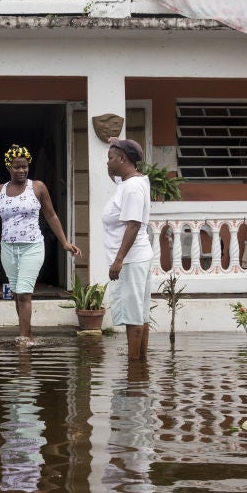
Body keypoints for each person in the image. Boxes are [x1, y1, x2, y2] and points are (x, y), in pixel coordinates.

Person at [0, 144, 81, 342]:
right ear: (8, 167)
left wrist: (64, 242)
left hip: (33, 246)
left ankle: (23, 339)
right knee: (16, 293)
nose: (21, 170)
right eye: (16, 167)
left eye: (25, 166)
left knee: (23, 293)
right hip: (8, 248)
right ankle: (27, 332)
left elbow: (51, 216)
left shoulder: (37, 187)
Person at [103, 138, 153, 361]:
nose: (107, 163)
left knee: (133, 318)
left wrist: (118, 260)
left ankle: (134, 370)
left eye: (110, 158)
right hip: (139, 258)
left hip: (130, 261)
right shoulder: (132, 182)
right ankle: (140, 367)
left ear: (123, 158)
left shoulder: (131, 188)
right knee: (140, 316)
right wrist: (116, 142)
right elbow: (117, 178)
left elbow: (133, 225)